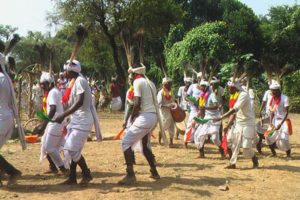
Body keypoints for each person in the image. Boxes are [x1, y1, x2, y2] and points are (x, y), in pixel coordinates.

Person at [54, 60, 102, 185]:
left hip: (83, 120)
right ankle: (72, 177)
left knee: (70, 148)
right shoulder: (73, 82)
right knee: (73, 149)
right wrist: (69, 120)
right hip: (76, 120)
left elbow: (80, 102)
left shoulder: (80, 81)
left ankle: (86, 173)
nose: (64, 73)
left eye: (66, 70)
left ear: (72, 71)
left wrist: (63, 115)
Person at [119, 63, 159, 185]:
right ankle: (154, 171)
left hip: (145, 117)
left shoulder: (137, 82)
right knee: (144, 145)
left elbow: (137, 103)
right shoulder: (150, 83)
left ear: (134, 74)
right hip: (153, 117)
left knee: (126, 142)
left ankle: (130, 174)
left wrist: (132, 117)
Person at [213, 78, 259, 169]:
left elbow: (235, 109)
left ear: (236, 87)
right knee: (229, 142)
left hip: (248, 123)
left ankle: (254, 158)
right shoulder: (233, 95)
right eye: (229, 88)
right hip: (238, 123)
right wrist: (228, 125)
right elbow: (233, 113)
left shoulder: (243, 95)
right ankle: (232, 163)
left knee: (246, 148)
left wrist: (221, 117)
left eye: (231, 88)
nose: (229, 90)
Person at [33, 72, 68, 175]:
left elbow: (52, 109)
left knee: (49, 148)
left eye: (44, 84)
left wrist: (43, 125)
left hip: (56, 123)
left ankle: (63, 169)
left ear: (50, 83)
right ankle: (53, 167)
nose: (42, 86)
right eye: (41, 84)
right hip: (54, 123)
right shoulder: (52, 92)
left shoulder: (52, 92)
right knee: (44, 143)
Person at [0, 53, 26, 186]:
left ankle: (13, 172)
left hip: (2, 119)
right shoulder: (4, 78)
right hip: (5, 118)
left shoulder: (1, 78)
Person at [193, 80, 225, 158]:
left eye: (203, 86)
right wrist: (195, 119)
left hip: (215, 118)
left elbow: (216, 106)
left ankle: (222, 150)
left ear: (206, 87)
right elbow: (201, 109)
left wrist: (205, 107)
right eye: (201, 86)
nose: (201, 88)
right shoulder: (203, 95)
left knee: (214, 139)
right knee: (200, 135)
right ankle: (201, 153)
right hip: (207, 117)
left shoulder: (212, 95)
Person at [265, 80, 292, 157]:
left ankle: (288, 154)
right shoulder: (272, 98)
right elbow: (272, 111)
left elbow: (286, 112)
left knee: (284, 139)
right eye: (272, 91)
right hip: (274, 121)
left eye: (274, 91)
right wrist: (270, 122)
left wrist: (281, 123)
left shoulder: (285, 98)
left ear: (278, 90)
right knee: (268, 136)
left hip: (284, 121)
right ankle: (273, 153)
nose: (272, 92)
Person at [183, 73, 203, 148]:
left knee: (200, 128)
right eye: (200, 79)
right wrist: (194, 100)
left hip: (203, 111)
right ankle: (186, 141)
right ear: (198, 79)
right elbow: (186, 97)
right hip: (194, 110)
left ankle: (199, 144)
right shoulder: (192, 86)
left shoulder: (207, 88)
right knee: (190, 126)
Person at [157, 77, 175, 147]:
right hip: (164, 113)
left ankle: (171, 142)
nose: (171, 84)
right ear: (165, 84)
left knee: (171, 127)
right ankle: (159, 142)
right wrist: (167, 105)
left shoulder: (171, 91)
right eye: (170, 83)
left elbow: (173, 100)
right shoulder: (161, 92)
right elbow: (159, 104)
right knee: (163, 127)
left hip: (172, 112)